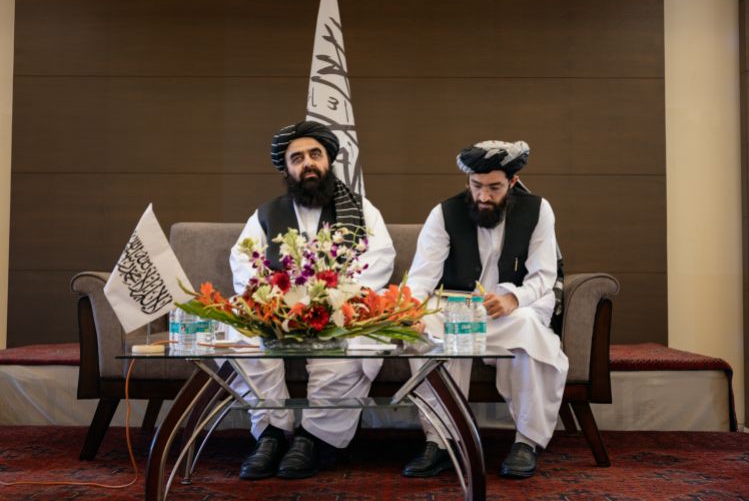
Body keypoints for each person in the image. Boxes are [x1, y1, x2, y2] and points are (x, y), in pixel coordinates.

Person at [229, 121, 395, 480]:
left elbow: (380, 257)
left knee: (359, 335)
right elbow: (243, 261)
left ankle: (316, 438)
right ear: (287, 168)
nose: (308, 163)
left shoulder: (361, 209)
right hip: (282, 311)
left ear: (328, 160)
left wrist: (334, 299)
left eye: (315, 155)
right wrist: (275, 301)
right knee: (239, 329)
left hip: (338, 307)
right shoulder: (267, 213)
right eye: (297, 157)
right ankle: (272, 431)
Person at [402, 140, 568, 479]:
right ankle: (441, 439)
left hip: (517, 307)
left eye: (494, 187)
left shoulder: (538, 210)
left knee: (527, 327)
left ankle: (525, 441)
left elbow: (544, 275)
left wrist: (514, 298)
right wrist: (411, 310)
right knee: (424, 328)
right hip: (459, 309)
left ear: (512, 181)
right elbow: (422, 277)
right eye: (477, 186)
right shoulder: (444, 213)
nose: (484, 196)